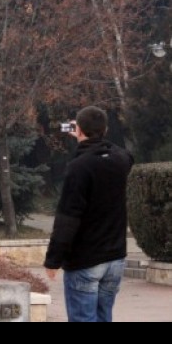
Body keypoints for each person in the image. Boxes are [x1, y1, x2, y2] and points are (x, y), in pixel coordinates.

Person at [44, 106, 134, 322]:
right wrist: (91, 137)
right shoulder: (120, 159)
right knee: (104, 317)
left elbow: (68, 217)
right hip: (114, 258)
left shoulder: (79, 167)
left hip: (86, 260)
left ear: (79, 129)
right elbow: (122, 154)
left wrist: (53, 260)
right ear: (105, 129)